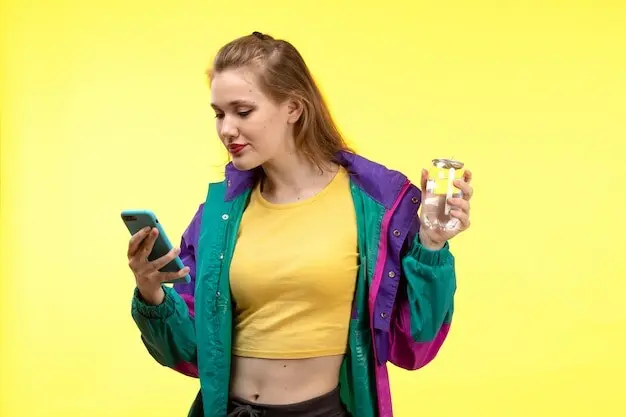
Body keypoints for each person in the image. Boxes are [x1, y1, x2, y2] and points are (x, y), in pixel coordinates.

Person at [127, 31, 473, 417]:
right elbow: (189, 349)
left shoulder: (375, 206)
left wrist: (431, 245)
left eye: (243, 111)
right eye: (219, 114)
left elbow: (415, 343)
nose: (227, 129)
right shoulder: (218, 214)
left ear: (293, 108)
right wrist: (151, 292)